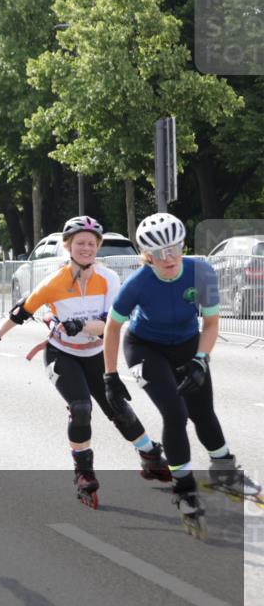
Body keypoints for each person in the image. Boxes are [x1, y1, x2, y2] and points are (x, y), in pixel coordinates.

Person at [0, 216, 170, 509]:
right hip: (62, 355)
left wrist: (82, 325)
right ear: (68, 246)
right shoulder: (54, 282)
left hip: (96, 355)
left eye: (92, 244)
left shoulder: (109, 280)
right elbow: (22, 311)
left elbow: (110, 325)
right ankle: (84, 474)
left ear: (98, 248)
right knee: (81, 409)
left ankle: (150, 455)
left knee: (118, 408)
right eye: (80, 243)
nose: (86, 248)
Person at [103, 212, 261, 537]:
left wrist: (201, 360)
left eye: (174, 248)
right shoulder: (138, 283)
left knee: (202, 411)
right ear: (146, 257)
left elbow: (213, 323)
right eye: (159, 253)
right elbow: (112, 326)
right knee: (175, 413)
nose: (168, 258)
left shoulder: (200, 271)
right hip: (145, 347)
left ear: (183, 245)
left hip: (188, 343)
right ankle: (184, 488)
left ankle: (225, 471)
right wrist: (110, 376)